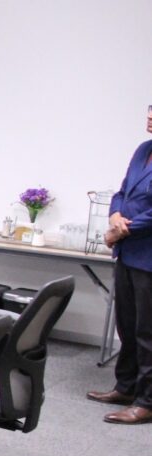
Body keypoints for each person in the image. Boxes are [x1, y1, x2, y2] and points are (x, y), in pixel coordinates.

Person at [88, 104, 152, 424]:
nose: (150, 117)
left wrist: (121, 230)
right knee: (126, 325)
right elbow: (123, 191)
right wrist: (114, 214)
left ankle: (147, 401)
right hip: (127, 253)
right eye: (150, 110)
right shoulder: (144, 149)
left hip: (148, 257)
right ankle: (126, 387)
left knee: (147, 331)